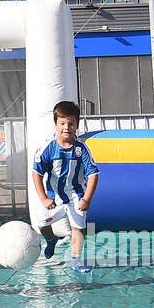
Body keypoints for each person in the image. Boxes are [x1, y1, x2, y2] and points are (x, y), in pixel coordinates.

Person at [32, 100, 100, 274]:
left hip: (76, 195)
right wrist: (44, 199)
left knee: (78, 228)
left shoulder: (82, 149)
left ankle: (76, 261)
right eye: (62, 123)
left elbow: (93, 174)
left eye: (71, 123)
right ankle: (51, 241)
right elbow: (36, 174)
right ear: (56, 124)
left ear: (76, 125)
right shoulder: (48, 148)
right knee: (42, 225)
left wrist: (86, 199)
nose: (66, 127)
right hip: (54, 197)